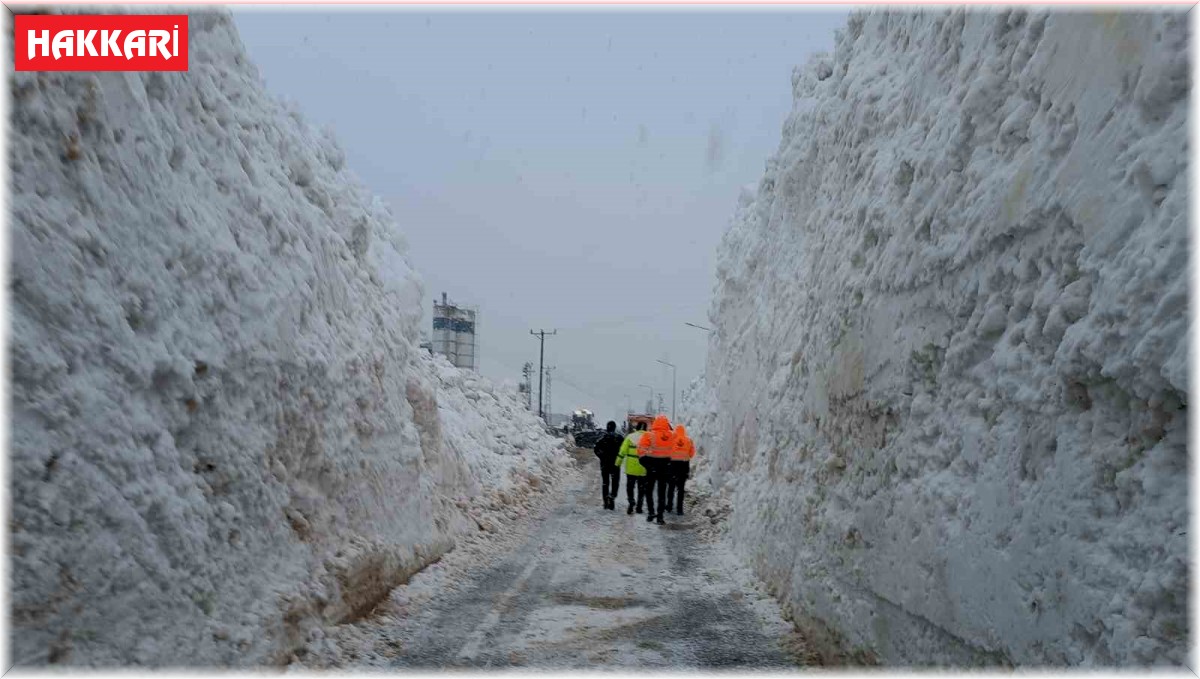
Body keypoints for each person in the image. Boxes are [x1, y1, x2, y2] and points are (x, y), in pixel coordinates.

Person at [636, 414, 674, 525]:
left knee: (649, 491)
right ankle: (660, 517)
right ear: (667, 424)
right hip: (665, 469)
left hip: (651, 468)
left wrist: (648, 465)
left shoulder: (649, 435)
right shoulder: (672, 436)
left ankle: (651, 512)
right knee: (662, 493)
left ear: (655, 423)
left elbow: (641, 453)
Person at [616, 421, 648, 514]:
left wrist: (618, 463)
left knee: (630, 487)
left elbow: (622, 451)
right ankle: (639, 506)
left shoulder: (630, 437)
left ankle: (631, 502)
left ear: (636, 428)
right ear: (645, 428)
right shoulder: (649, 437)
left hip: (631, 468)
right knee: (641, 489)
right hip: (643, 468)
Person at [593, 420, 624, 510]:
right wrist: (620, 457)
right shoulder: (619, 438)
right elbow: (624, 450)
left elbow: (595, 449)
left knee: (605, 483)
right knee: (615, 483)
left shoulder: (602, 439)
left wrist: (601, 456)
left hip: (605, 464)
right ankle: (612, 497)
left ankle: (605, 502)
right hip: (615, 464)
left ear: (607, 428)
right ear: (614, 428)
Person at [665, 424, 695, 515]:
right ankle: (679, 509)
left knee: (671, 487)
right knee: (681, 489)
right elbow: (691, 454)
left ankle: (669, 506)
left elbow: (667, 451)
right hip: (684, 467)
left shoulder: (672, 440)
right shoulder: (689, 440)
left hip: (673, 466)